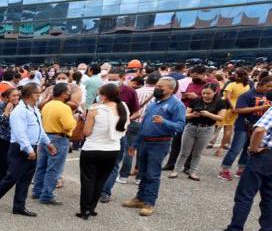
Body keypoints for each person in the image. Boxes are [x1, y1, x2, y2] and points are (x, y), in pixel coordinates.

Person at [0, 84, 57, 217]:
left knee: (26, 178)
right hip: (20, 148)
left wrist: (48, 143)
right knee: (13, 176)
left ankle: (19, 206)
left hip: (32, 147)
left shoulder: (34, 109)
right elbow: (20, 133)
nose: (40, 95)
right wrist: (29, 150)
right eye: (38, 93)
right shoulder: (19, 111)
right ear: (31, 95)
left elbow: (39, 129)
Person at [206, 106, 272, 231]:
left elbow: (260, 130)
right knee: (269, 196)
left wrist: (253, 148)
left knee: (245, 195)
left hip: (264, 156)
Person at [121, 77, 186, 217]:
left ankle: (149, 202)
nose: (157, 88)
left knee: (152, 174)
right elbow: (144, 124)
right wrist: (135, 143)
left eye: (161, 87)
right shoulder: (154, 103)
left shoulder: (177, 105)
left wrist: (164, 122)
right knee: (142, 172)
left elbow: (180, 126)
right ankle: (140, 198)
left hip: (159, 143)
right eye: (157, 85)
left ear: (170, 89)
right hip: (144, 141)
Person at [78, 84, 127, 219]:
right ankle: (92, 208)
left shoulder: (95, 109)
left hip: (92, 148)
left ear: (104, 95)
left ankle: (85, 210)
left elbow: (87, 132)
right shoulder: (123, 108)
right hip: (112, 149)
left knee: (88, 180)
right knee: (101, 180)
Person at [219, 75, 272, 181]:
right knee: (236, 148)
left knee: (248, 149)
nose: (269, 89)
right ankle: (224, 169)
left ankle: (241, 169)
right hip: (243, 125)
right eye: (268, 86)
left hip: (257, 126)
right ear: (261, 84)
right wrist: (260, 107)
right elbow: (238, 110)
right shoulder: (247, 95)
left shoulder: (268, 96)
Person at [172, 83, 225, 180]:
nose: (205, 95)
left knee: (197, 153)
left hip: (207, 129)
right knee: (184, 152)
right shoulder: (196, 100)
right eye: (203, 93)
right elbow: (185, 115)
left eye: (208, 94)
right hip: (191, 127)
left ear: (215, 92)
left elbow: (221, 117)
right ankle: (176, 170)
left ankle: (193, 172)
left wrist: (208, 114)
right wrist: (193, 115)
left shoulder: (220, 103)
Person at [0, 87, 20, 190]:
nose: (16, 97)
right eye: (13, 96)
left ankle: (4, 183)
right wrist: (7, 111)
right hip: (1, 138)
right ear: (7, 97)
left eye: (17, 95)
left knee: (9, 162)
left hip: (13, 139)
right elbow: (4, 122)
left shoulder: (18, 106)